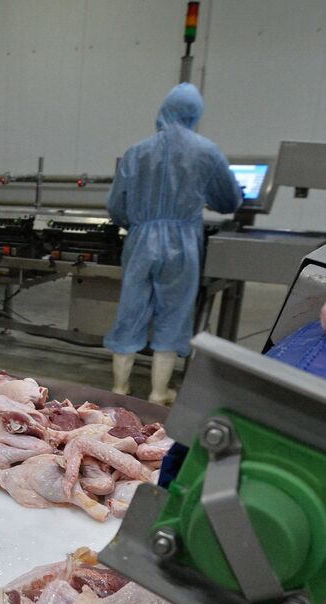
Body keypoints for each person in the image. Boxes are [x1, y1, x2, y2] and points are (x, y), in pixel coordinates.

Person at [105, 83, 241, 404]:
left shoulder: (137, 151)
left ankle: (119, 387)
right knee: (175, 313)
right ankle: (158, 392)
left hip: (140, 241)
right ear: (195, 114)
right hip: (183, 242)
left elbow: (115, 206)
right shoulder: (207, 151)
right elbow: (229, 200)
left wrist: (140, 225)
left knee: (131, 310)